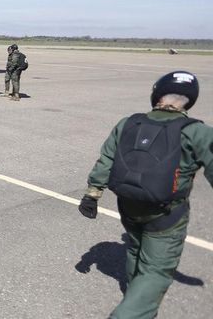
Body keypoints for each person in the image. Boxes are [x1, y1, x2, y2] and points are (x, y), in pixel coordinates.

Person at [78, 71, 213, 319]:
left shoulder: (128, 123)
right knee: (156, 270)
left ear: (157, 95)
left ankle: (134, 298)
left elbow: (106, 159)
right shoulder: (197, 131)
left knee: (135, 248)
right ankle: (133, 312)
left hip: (128, 205)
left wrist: (92, 194)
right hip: (167, 214)